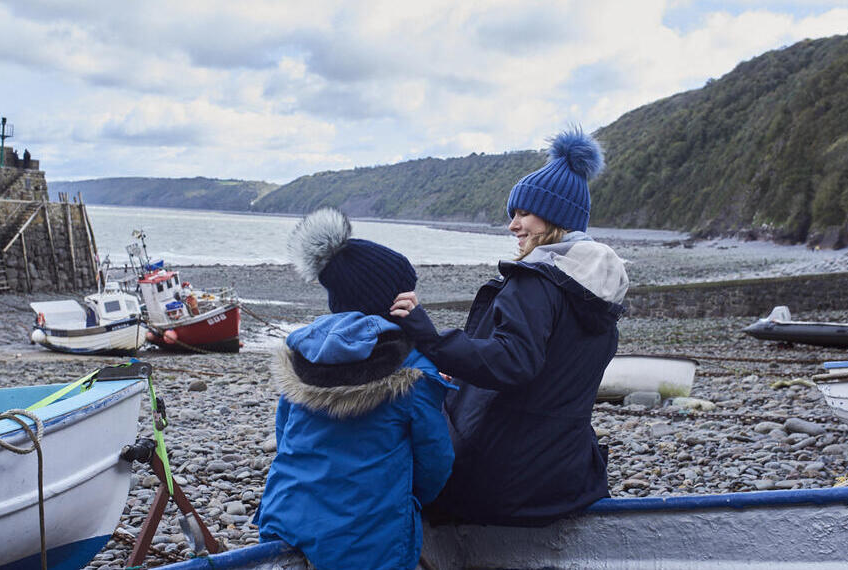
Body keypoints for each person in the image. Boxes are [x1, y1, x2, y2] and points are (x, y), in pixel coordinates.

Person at [389, 128, 628, 527]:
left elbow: (513, 362)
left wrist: (429, 338)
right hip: (569, 480)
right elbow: (548, 371)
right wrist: (463, 370)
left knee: (401, 465)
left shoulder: (536, 281)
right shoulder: (600, 293)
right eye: (512, 215)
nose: (513, 226)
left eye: (523, 214)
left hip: (504, 483)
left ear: (555, 217)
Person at [254, 208, 455, 570]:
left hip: (284, 518)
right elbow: (435, 462)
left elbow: (285, 437)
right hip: (368, 540)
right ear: (392, 303)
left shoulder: (301, 355)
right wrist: (405, 501)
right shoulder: (414, 371)